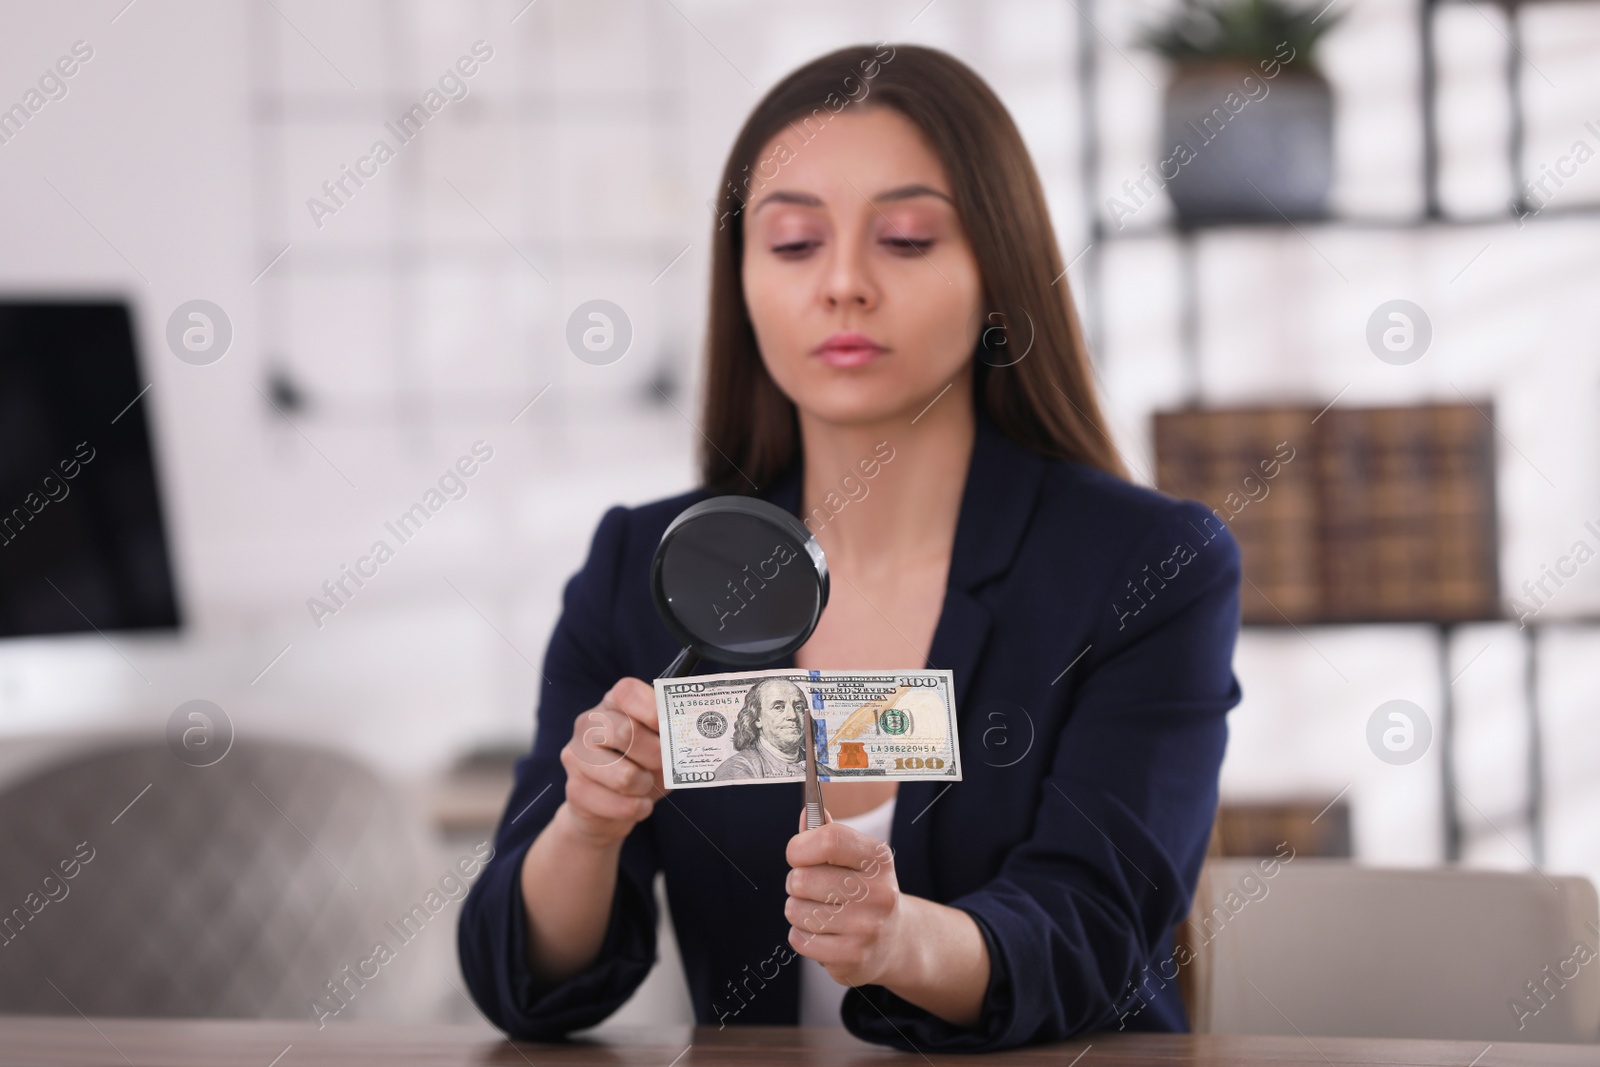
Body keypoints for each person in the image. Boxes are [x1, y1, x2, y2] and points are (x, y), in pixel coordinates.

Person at [458, 42, 1242, 1053]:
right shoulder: (641, 564)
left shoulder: (1148, 567)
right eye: (791, 244)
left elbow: (1094, 927)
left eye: (907, 238)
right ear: (739, 281)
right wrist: (587, 825)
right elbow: (526, 987)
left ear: (996, 270)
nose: (842, 283)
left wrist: (899, 938)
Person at [713, 678, 808, 780]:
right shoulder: (735, 771)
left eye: (799, 707)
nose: (793, 716)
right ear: (757, 718)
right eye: (778, 707)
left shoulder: (823, 770)